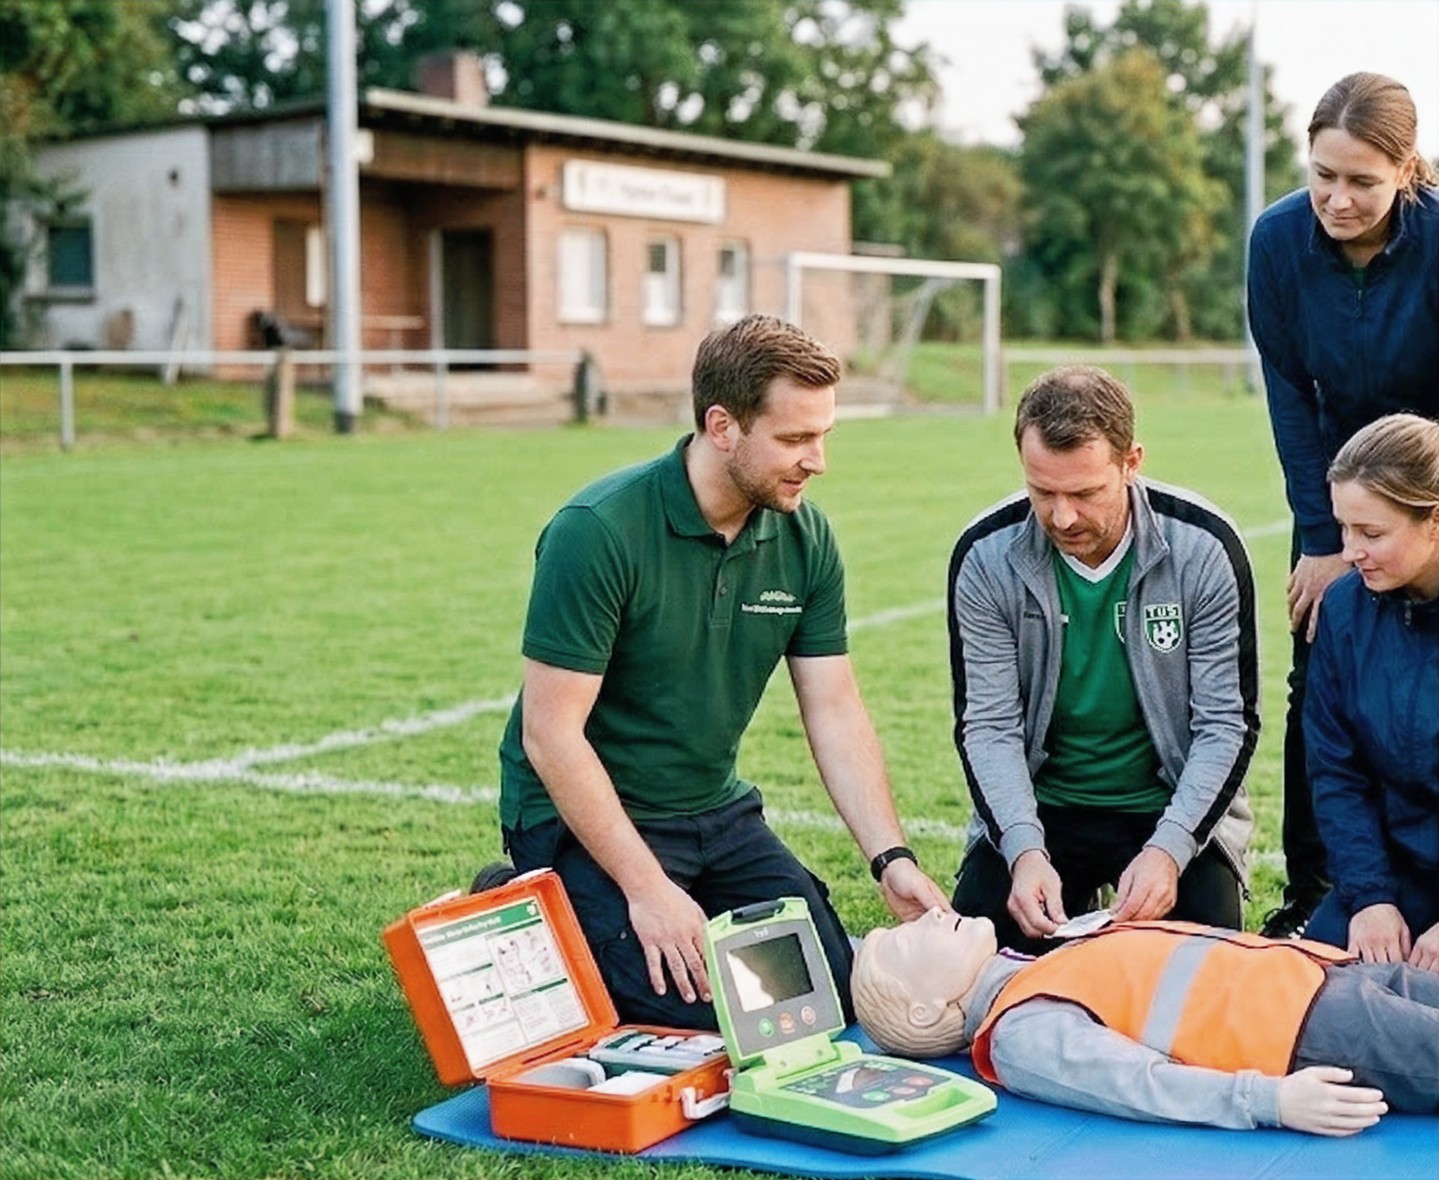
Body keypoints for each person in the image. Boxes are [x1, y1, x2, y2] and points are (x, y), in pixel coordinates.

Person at [490, 313, 949, 1028]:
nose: (817, 460)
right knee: (701, 1013)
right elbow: (551, 736)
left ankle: (664, 909)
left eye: (823, 435)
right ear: (722, 426)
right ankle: (526, 898)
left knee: (822, 990)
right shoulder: (597, 532)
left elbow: (833, 708)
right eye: (795, 439)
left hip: (714, 810)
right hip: (585, 820)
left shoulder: (805, 536)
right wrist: (645, 888)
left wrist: (889, 857)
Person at [947, 365, 1257, 954]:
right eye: (1043, 492)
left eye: (1085, 493)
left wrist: (1169, 849)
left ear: (1131, 462)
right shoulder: (985, 556)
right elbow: (988, 728)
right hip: (1044, 808)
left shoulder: (1205, 546)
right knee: (976, 975)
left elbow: (1227, 726)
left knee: (1203, 979)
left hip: (1167, 805)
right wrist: (1022, 848)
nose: (1063, 517)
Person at [1246, 71, 1439, 939]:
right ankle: (1317, 890)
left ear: (1405, 171)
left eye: (1361, 180)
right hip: (1335, 486)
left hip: (1429, 481)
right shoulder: (1277, 240)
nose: (1337, 197)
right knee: (1321, 672)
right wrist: (1327, 541)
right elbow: (1289, 395)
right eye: (1322, 173)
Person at [850, 910, 1439, 1134]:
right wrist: (1268, 1100)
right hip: (1307, 1030)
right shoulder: (1019, 1031)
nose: (928, 914)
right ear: (926, 1008)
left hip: (1321, 975)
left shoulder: (1038, 966)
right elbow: (1138, 1084)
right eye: (907, 939)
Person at [1302, 413, 1439, 970]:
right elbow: (1337, 771)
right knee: (1308, 989)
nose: (1351, 551)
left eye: (1372, 533)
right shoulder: (1342, 611)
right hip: (1394, 872)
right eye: (1344, 528)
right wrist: (1370, 897)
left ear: (1433, 521)